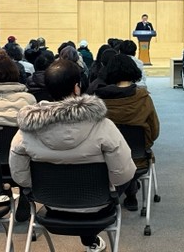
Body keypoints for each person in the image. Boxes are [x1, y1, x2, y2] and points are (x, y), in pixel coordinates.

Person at [9, 59, 136, 252]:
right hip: (97, 205)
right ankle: (90, 238)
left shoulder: (26, 130)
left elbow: (20, 176)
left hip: (51, 203)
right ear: (77, 88)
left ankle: (90, 238)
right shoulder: (103, 125)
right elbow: (123, 173)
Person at [94, 54, 160, 211]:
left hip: (105, 159)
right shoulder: (143, 98)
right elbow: (154, 131)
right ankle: (131, 192)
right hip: (138, 157)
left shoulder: (97, 100)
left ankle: (126, 190)